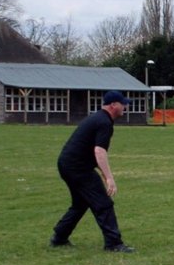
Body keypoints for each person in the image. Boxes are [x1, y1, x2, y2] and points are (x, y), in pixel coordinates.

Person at [50, 90, 135, 252]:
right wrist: (109, 178)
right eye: (122, 103)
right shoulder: (104, 122)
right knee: (103, 203)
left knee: (81, 203)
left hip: (67, 164)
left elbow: (89, 150)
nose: (125, 106)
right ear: (113, 105)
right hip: (78, 168)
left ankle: (59, 237)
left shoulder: (98, 118)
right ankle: (113, 244)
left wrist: (103, 174)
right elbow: (99, 151)